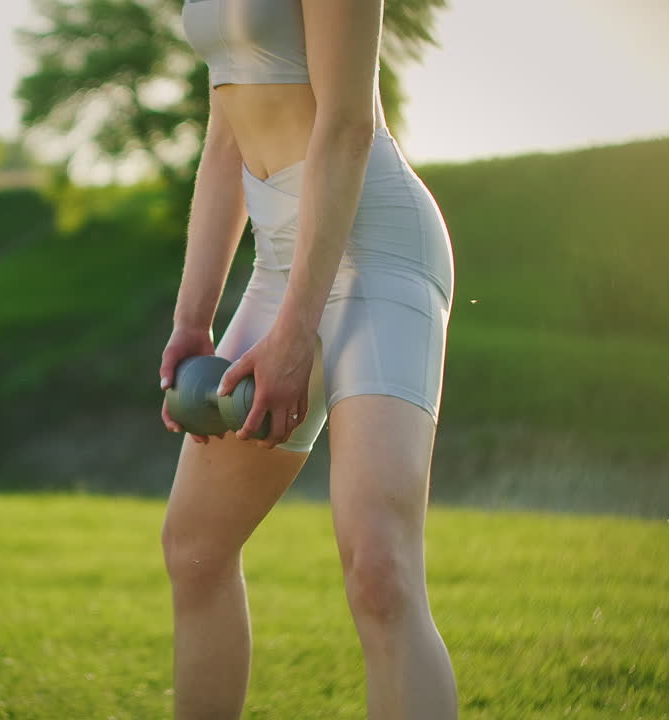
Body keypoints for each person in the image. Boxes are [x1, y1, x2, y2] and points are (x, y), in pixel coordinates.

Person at [158, 1, 458, 718]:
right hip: (281, 260)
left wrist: (294, 336)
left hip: (379, 252)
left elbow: (349, 123)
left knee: (380, 569)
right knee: (194, 547)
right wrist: (192, 318)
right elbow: (226, 145)